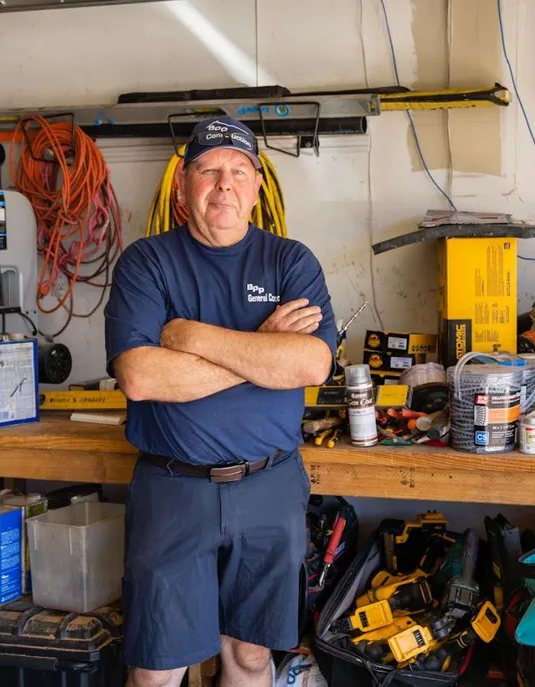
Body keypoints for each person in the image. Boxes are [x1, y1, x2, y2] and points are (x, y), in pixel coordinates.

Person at [104, 115, 336, 687]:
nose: (223, 184)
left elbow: (309, 364)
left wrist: (191, 336)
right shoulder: (147, 263)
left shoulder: (291, 261)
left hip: (270, 486)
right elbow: (140, 377)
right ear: (184, 186)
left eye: (238, 171)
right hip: (173, 489)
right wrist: (263, 350)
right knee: (158, 667)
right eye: (208, 171)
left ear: (257, 186)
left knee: (251, 656)